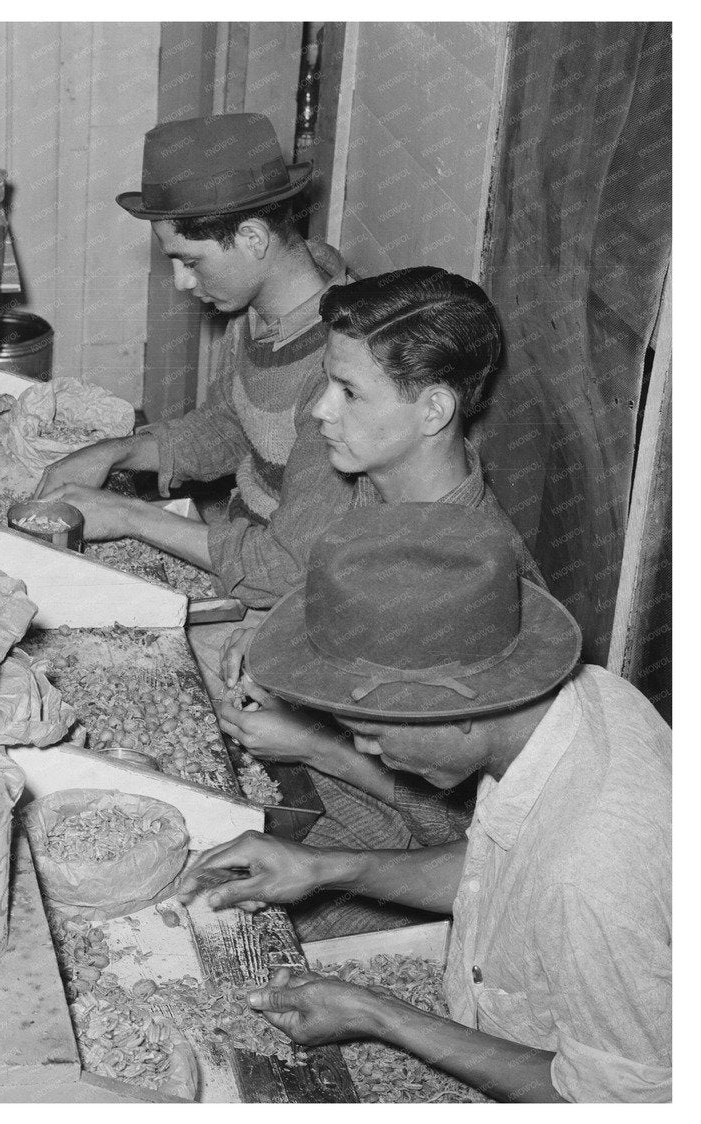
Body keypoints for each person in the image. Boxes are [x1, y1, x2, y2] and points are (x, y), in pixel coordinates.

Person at [189, 504, 669, 1103]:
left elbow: (619, 1105)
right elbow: (499, 872)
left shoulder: (596, 868)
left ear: (464, 710)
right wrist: (331, 868)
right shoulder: (580, 702)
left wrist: (379, 1016)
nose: (362, 746)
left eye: (373, 728)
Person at [205, 267, 542, 939]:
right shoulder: (380, 483)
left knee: (211, 913)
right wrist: (284, 625)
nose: (322, 409)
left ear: (434, 411)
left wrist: (307, 742)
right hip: (318, 762)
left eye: (349, 392)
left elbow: (453, 829)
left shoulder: (462, 580)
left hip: (402, 850)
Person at [38, 113, 355, 635]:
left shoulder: (342, 371)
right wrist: (119, 450)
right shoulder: (265, 307)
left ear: (252, 236)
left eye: (190, 261)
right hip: (239, 538)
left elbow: (288, 571)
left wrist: (130, 516)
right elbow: (230, 427)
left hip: (298, 605)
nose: (183, 282)